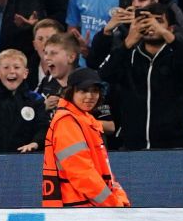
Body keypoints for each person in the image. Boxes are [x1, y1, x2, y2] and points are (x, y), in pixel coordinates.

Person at [98, 3, 183, 150]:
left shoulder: (178, 56)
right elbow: (105, 74)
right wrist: (128, 42)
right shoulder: (128, 55)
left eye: (158, 21)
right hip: (133, 142)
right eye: (146, 21)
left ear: (171, 28)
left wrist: (166, 35)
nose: (152, 26)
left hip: (172, 143)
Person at [42, 67, 130, 207]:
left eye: (95, 91)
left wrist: (119, 196)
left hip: (88, 208)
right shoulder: (67, 122)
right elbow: (82, 174)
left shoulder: (85, 119)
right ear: (71, 92)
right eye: (83, 90)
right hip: (78, 211)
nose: (90, 96)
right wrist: (113, 204)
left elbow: (103, 170)